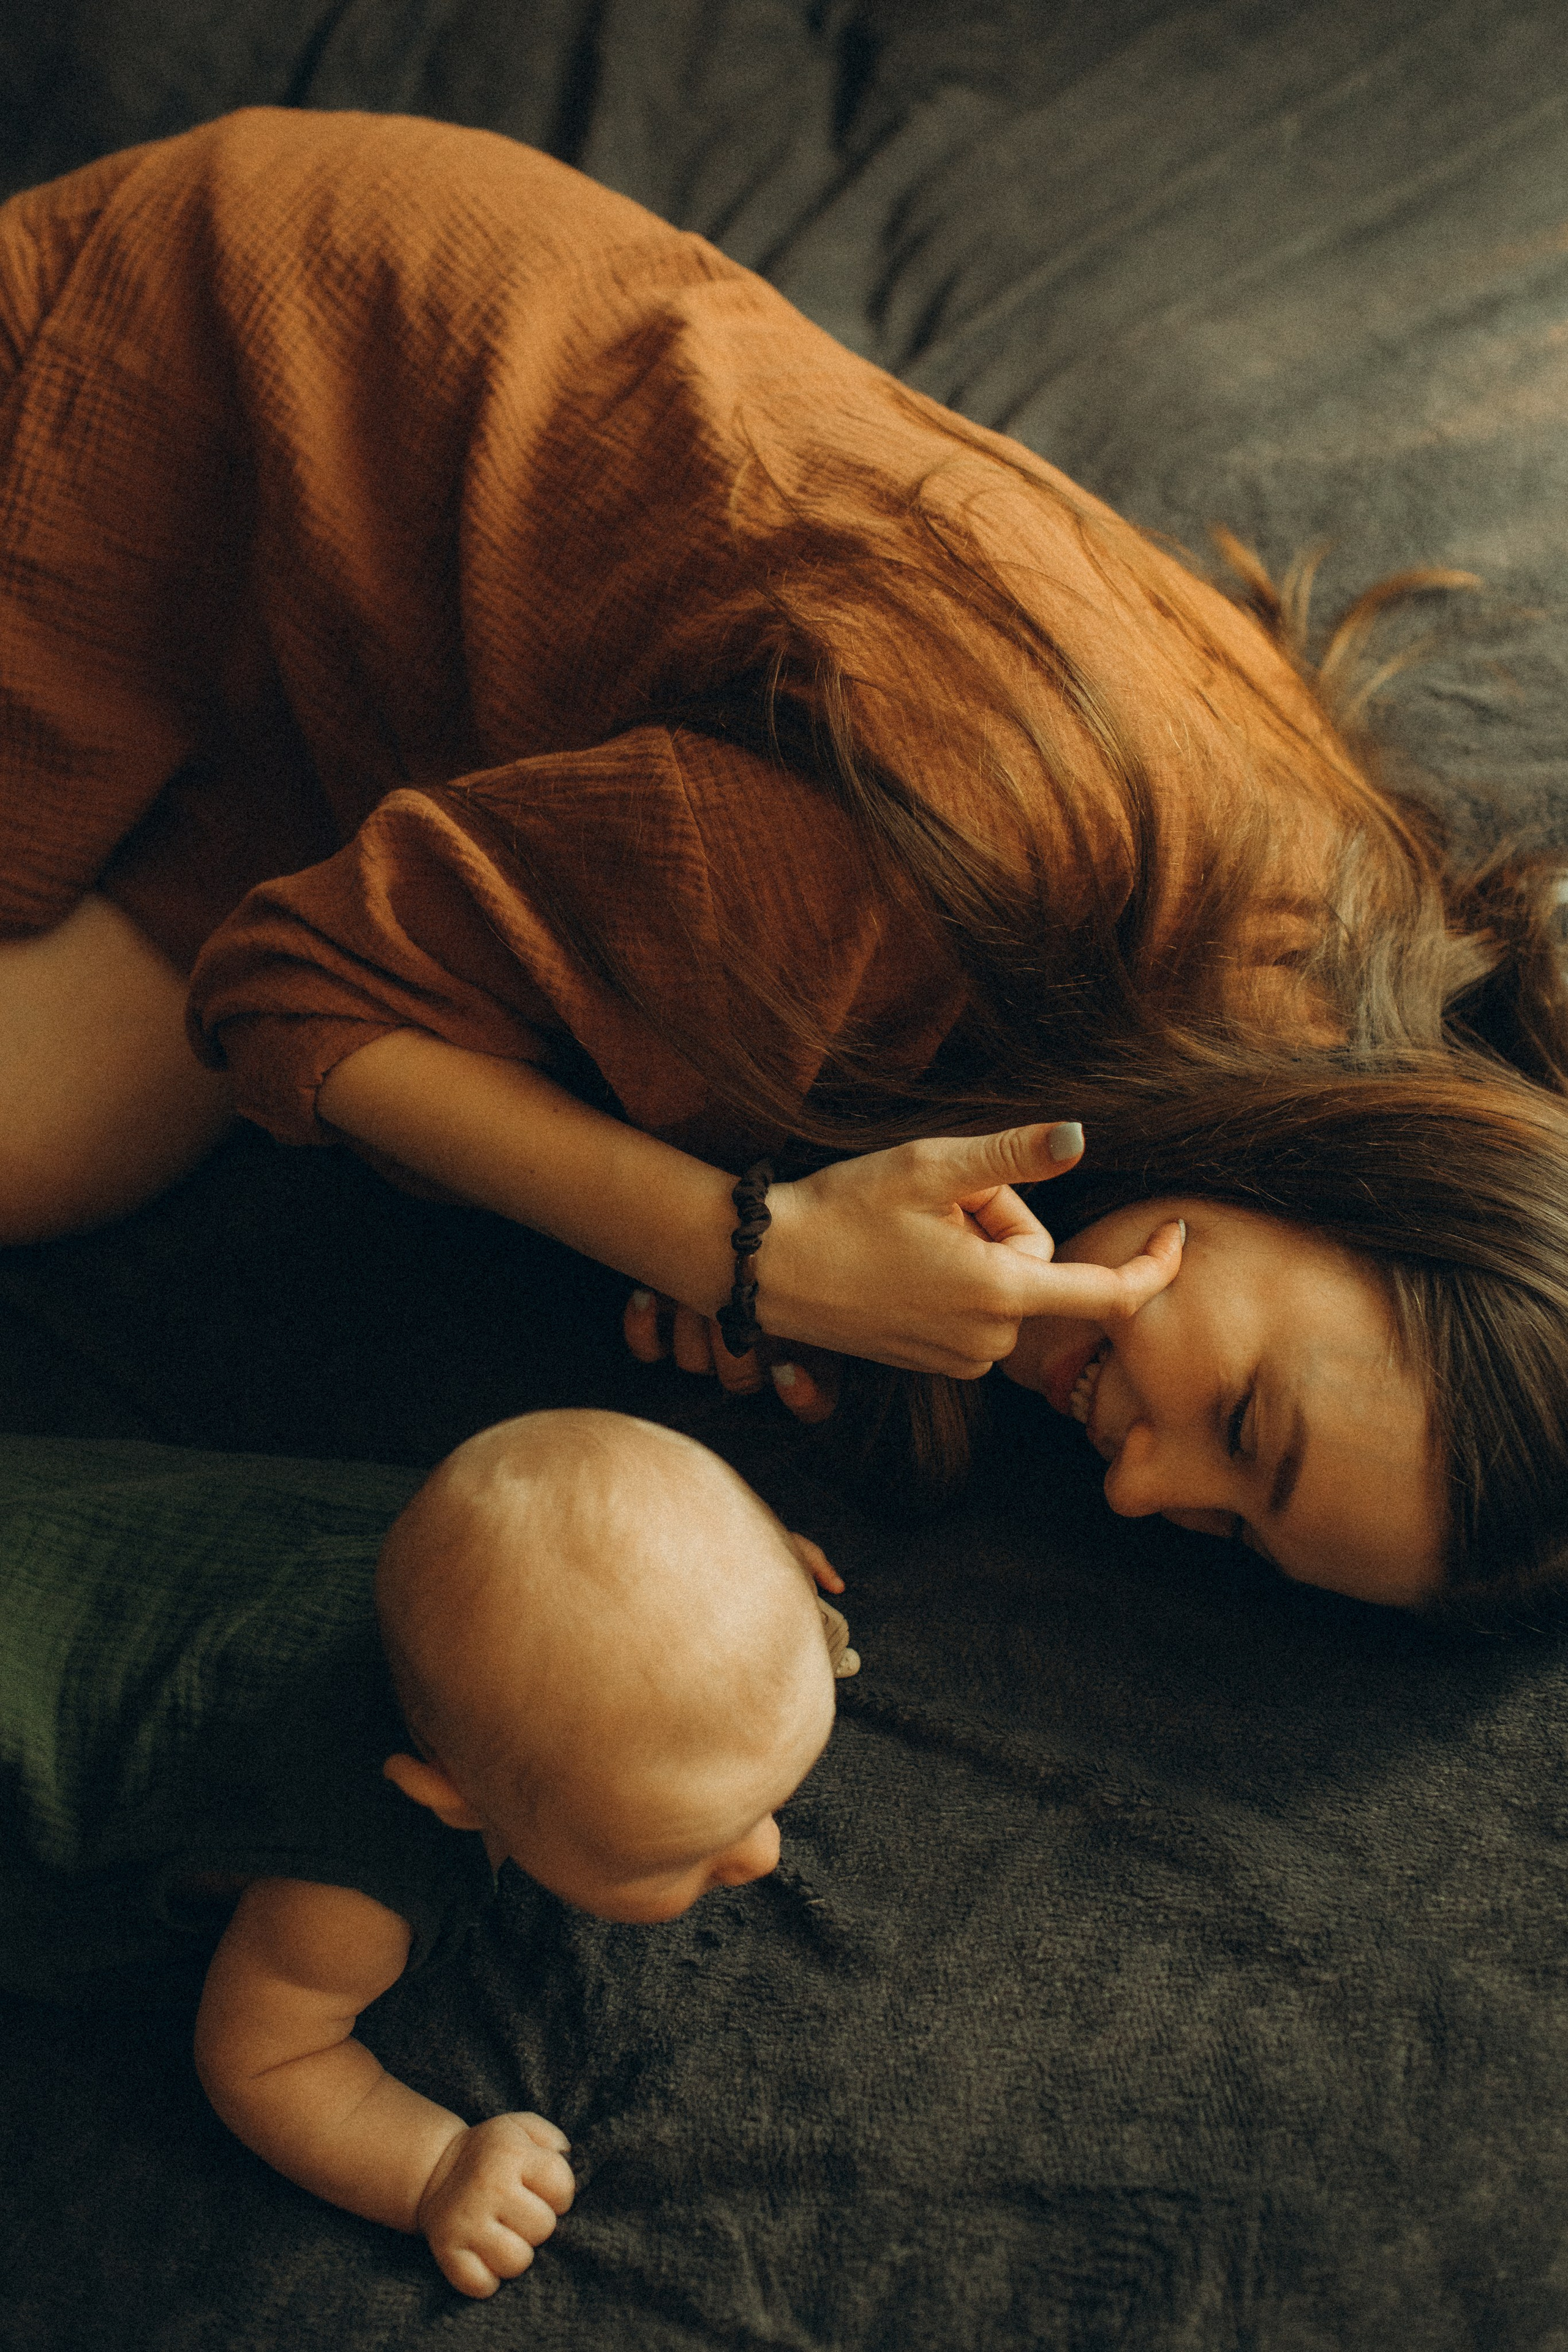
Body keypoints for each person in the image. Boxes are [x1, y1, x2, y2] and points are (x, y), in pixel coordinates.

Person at [1, 108, 1566, 1619]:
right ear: (1368, 1173)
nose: (1141, 1499)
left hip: (383, 731)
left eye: (1228, 1534)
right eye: (1242, 1427)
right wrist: (743, 1252)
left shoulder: (1325, 969)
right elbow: (293, 986)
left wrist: (790, 1216)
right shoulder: (957, 866)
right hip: (229, 379)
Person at [0, 1410, 856, 2298]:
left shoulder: (471, 1548)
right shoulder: (352, 1891)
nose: (761, 1855)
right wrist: (435, 2169)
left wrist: (749, 1598)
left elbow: (644, 1563)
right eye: (667, 1857)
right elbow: (260, 2062)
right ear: (450, 1799)